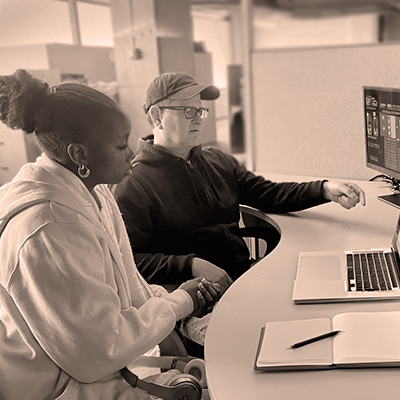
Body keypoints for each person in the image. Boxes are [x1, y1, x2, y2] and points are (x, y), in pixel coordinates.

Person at [0, 70, 219, 400]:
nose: (132, 153)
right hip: (54, 385)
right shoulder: (49, 228)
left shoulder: (95, 192)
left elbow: (128, 285)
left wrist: (176, 312)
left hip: (91, 363)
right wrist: (179, 304)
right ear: (79, 155)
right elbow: (98, 352)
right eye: (120, 146)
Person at [111, 72, 366, 295]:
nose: (199, 119)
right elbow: (127, 260)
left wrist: (323, 189)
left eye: (200, 111)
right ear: (157, 116)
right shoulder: (134, 184)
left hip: (243, 277)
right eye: (188, 111)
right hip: (195, 297)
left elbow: (270, 194)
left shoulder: (216, 160)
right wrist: (189, 264)